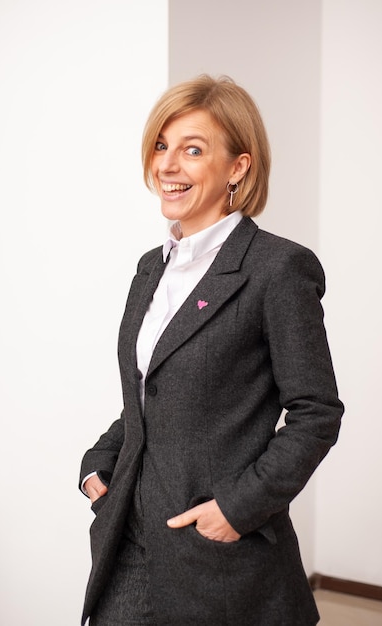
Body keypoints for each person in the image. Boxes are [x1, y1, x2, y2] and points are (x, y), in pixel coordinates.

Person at [79, 74, 344, 626]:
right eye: (161, 146)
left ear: (238, 168)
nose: (167, 166)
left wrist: (237, 509)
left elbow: (316, 412)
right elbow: (152, 391)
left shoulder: (278, 268)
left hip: (218, 552)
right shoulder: (151, 268)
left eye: (192, 150)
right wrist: (99, 462)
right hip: (127, 534)